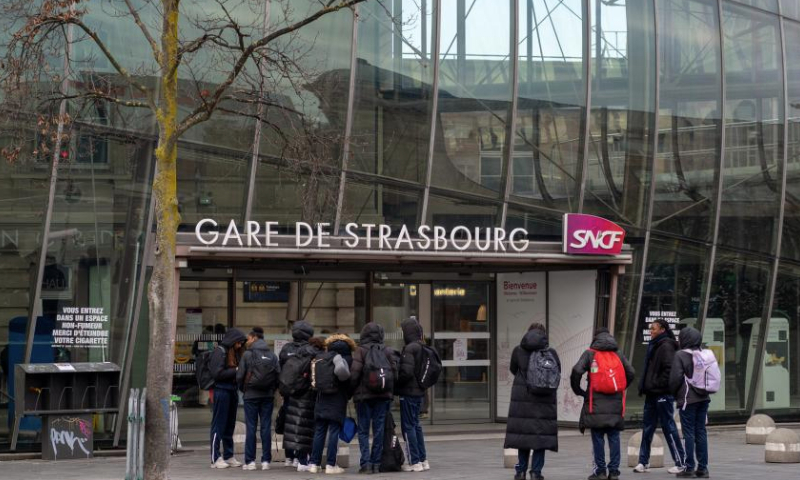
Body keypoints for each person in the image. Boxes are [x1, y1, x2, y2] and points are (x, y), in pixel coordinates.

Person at [571, 328, 635, 480]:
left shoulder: (590, 353)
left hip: (596, 402)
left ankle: (600, 471)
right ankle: (613, 472)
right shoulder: (618, 353)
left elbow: (576, 371)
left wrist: (579, 390)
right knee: (614, 437)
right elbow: (631, 372)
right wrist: (621, 387)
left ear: (596, 338)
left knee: (598, 437)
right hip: (615, 402)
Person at [504, 323, 560, 480]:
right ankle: (536, 472)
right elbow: (557, 373)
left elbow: (513, 369)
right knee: (540, 438)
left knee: (524, 438)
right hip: (544, 401)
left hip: (523, 398)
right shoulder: (551, 352)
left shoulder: (518, 350)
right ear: (543, 335)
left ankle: (520, 472)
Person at [635, 319, 686, 474]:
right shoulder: (655, 345)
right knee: (647, 427)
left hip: (662, 394)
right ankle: (643, 462)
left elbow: (670, 370)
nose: (651, 331)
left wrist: (658, 385)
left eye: (654, 329)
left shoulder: (666, 346)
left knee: (668, 427)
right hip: (651, 394)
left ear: (662, 330)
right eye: (650, 329)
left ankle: (680, 462)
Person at [350, 322, 399, 474]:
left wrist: (351, 392)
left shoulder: (360, 351)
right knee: (379, 430)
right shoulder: (387, 351)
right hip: (383, 397)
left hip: (364, 397)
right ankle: (376, 463)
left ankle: (365, 464)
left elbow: (354, 374)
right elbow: (395, 375)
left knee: (363, 430)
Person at [309, 333, 356, 474]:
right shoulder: (342, 358)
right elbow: (343, 373)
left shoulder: (322, 356)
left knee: (319, 431)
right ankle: (330, 464)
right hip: (337, 398)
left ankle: (314, 463)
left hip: (321, 397)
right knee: (334, 431)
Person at [669, 327, 711, 478]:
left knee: (688, 433)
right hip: (704, 398)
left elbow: (675, 378)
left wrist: (674, 394)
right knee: (701, 432)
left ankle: (689, 468)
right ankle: (703, 468)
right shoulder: (704, 354)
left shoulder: (680, 355)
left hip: (688, 399)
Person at [236, 327, 280, 471]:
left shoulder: (248, 355)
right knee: (266, 427)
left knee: (251, 427)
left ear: (254, 338)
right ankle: (266, 461)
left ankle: (250, 461)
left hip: (251, 395)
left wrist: (245, 389)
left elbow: (240, 376)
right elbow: (278, 377)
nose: (247, 341)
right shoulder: (272, 355)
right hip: (267, 396)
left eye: (248, 339)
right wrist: (271, 390)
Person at [282, 325, 321, 472]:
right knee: (309, 428)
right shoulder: (314, 354)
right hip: (310, 394)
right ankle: (308, 459)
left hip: (295, 394)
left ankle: (297, 459)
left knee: (298, 428)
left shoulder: (290, 351)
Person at [209, 327, 247, 469]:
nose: (239, 346)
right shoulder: (220, 352)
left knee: (230, 425)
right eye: (238, 343)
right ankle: (215, 458)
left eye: (241, 344)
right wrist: (236, 370)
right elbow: (217, 374)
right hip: (222, 391)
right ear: (232, 341)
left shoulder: (234, 353)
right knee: (219, 424)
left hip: (232, 391)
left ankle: (228, 455)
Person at [397, 317, 431, 473]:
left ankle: (414, 461)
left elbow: (406, 372)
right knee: (416, 425)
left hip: (409, 392)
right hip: (420, 392)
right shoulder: (423, 347)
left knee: (408, 426)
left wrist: (397, 382)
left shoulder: (410, 349)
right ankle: (423, 459)